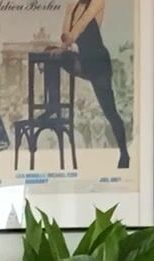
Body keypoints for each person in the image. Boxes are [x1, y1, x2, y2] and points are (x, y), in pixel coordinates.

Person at [57, 0, 130, 170]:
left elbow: (82, 24)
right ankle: (51, 107)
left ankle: (124, 153)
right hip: (82, 61)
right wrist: (64, 44)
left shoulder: (97, 2)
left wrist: (69, 39)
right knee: (51, 53)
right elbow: (65, 34)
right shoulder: (72, 6)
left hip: (98, 64)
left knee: (110, 111)